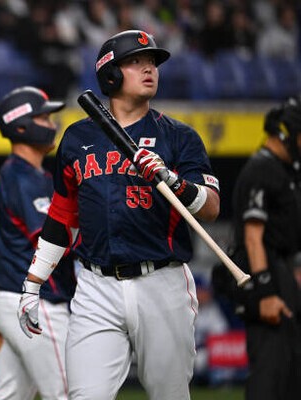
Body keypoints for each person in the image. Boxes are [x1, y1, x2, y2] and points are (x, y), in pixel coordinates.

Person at [17, 30, 221, 400]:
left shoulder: (179, 136)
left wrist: (173, 181)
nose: (149, 69)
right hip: (96, 287)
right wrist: (33, 284)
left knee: (169, 395)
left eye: (152, 62)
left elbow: (211, 207)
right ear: (110, 74)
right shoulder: (77, 139)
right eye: (136, 62)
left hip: (162, 282)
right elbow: (62, 218)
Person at [0, 86, 77, 400]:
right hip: (35, 300)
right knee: (70, 393)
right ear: (21, 126)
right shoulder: (22, 177)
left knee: (9, 395)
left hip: (12, 295)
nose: (52, 124)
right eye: (44, 117)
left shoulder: (30, 175)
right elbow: (52, 240)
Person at [230, 95, 301, 400]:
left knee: (291, 374)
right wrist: (266, 291)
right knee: (271, 375)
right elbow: (252, 237)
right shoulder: (262, 169)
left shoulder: (284, 170)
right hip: (265, 273)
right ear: (288, 134)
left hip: (281, 270)